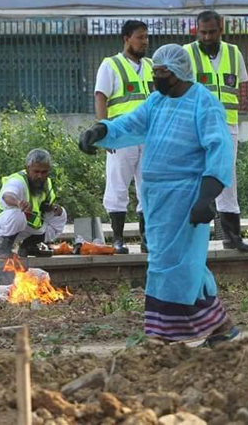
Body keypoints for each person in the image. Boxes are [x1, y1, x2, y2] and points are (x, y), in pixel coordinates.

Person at [79, 44, 239, 346]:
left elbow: (219, 151)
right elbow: (130, 123)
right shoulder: (157, 102)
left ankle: (160, 333)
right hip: (156, 198)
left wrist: (206, 197)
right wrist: (101, 130)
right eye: (155, 73)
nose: (156, 79)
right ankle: (220, 325)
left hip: (186, 196)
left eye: (162, 73)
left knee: (168, 263)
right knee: (184, 262)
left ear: (177, 72)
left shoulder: (204, 104)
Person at [184, 10, 248, 252]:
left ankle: (232, 236)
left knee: (227, 178)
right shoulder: (186, 53)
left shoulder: (234, 53)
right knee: (194, 177)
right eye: (202, 32)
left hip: (227, 125)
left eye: (212, 32)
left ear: (221, 29)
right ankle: (191, 236)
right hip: (196, 126)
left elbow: (238, 88)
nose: (206, 37)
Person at [94, 20, 153, 254]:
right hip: (121, 137)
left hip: (148, 137)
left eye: (146, 37)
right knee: (117, 186)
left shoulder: (151, 66)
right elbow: (101, 97)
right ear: (126, 39)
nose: (145, 42)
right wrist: (105, 131)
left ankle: (147, 238)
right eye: (140, 37)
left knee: (148, 187)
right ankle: (117, 239)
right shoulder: (111, 65)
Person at [0, 149, 67, 259]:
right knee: (18, 214)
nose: (39, 176)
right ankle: (3, 249)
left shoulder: (47, 183)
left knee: (61, 214)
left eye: (44, 172)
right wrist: (18, 203)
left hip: (24, 228)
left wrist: (53, 208)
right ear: (27, 168)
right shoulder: (17, 181)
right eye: (36, 171)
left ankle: (29, 246)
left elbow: (46, 205)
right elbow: (7, 196)